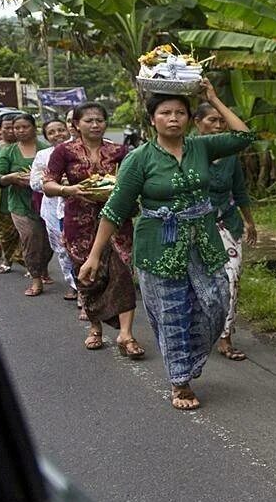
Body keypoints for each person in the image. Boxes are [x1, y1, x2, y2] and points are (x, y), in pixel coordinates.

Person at [79, 81, 253, 410]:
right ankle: (180, 382)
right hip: (159, 245)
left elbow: (244, 137)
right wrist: (94, 255)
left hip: (204, 242)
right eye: (165, 113)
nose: (173, 118)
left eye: (180, 113)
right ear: (152, 119)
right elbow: (114, 210)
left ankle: (188, 361)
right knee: (172, 313)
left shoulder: (202, 147)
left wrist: (213, 98)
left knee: (216, 302)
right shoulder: (139, 159)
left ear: (189, 118)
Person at [44, 103, 141, 355]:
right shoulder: (63, 152)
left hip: (117, 220)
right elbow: (48, 185)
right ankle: (95, 327)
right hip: (79, 221)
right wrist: (70, 190)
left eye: (100, 120)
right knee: (88, 275)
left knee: (123, 272)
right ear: (76, 124)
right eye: (89, 120)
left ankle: (126, 335)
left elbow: (133, 181)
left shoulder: (119, 151)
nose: (95, 125)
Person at [194, 102, 257, 362]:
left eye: (222, 121)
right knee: (198, 282)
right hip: (196, 225)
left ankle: (225, 336)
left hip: (227, 223)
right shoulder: (187, 150)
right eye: (211, 120)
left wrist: (249, 221)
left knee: (232, 278)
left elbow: (239, 190)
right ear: (197, 122)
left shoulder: (230, 154)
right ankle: (197, 331)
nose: (218, 126)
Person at [0, 113, 51, 296]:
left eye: (24, 127)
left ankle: (42, 268)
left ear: (34, 128)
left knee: (49, 242)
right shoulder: (8, 151)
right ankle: (36, 279)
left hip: (45, 203)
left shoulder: (46, 150)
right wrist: (10, 178)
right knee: (30, 239)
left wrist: (39, 180)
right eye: (16, 128)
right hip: (19, 204)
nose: (19, 131)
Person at [29, 119, 77, 301]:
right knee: (63, 250)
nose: (58, 134)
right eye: (52, 132)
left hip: (79, 207)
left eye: (61, 130)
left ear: (68, 130)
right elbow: (34, 182)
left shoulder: (78, 150)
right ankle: (73, 285)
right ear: (46, 137)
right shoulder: (43, 155)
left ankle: (85, 290)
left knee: (82, 249)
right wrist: (56, 184)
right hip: (52, 209)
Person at [0, 114, 24, 272]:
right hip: (1, 192)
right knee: (5, 232)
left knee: (26, 232)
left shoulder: (27, 146)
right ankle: (7, 261)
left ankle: (30, 264)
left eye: (13, 127)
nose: (11, 131)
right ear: (0, 129)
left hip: (24, 191)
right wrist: (4, 177)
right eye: (6, 128)